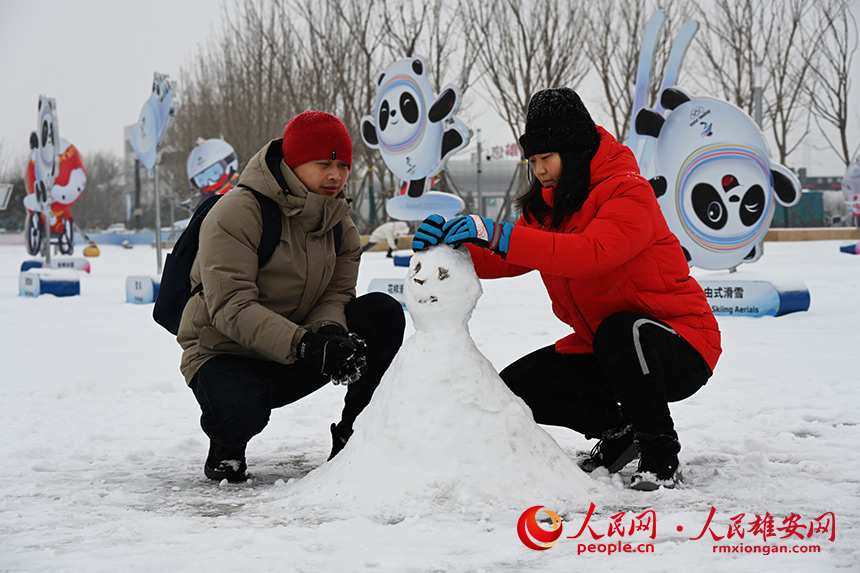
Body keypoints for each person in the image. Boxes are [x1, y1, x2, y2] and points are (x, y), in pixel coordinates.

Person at [412, 88, 721, 490]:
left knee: (621, 331)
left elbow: (592, 252)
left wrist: (495, 232)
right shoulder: (550, 206)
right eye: (533, 160)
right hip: (608, 347)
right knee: (520, 388)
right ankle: (618, 434)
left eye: (547, 158)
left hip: (680, 343)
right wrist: (454, 247)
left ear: (575, 151)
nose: (539, 170)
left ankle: (660, 455)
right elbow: (506, 256)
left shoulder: (629, 192)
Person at [177, 111, 405, 482]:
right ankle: (227, 446)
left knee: (382, 313)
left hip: (297, 345)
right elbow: (229, 307)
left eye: (343, 165)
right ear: (293, 164)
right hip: (225, 351)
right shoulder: (236, 212)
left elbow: (337, 293)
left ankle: (355, 435)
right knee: (238, 411)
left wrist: (329, 334)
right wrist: (305, 345)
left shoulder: (339, 224)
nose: (336, 175)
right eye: (323, 164)